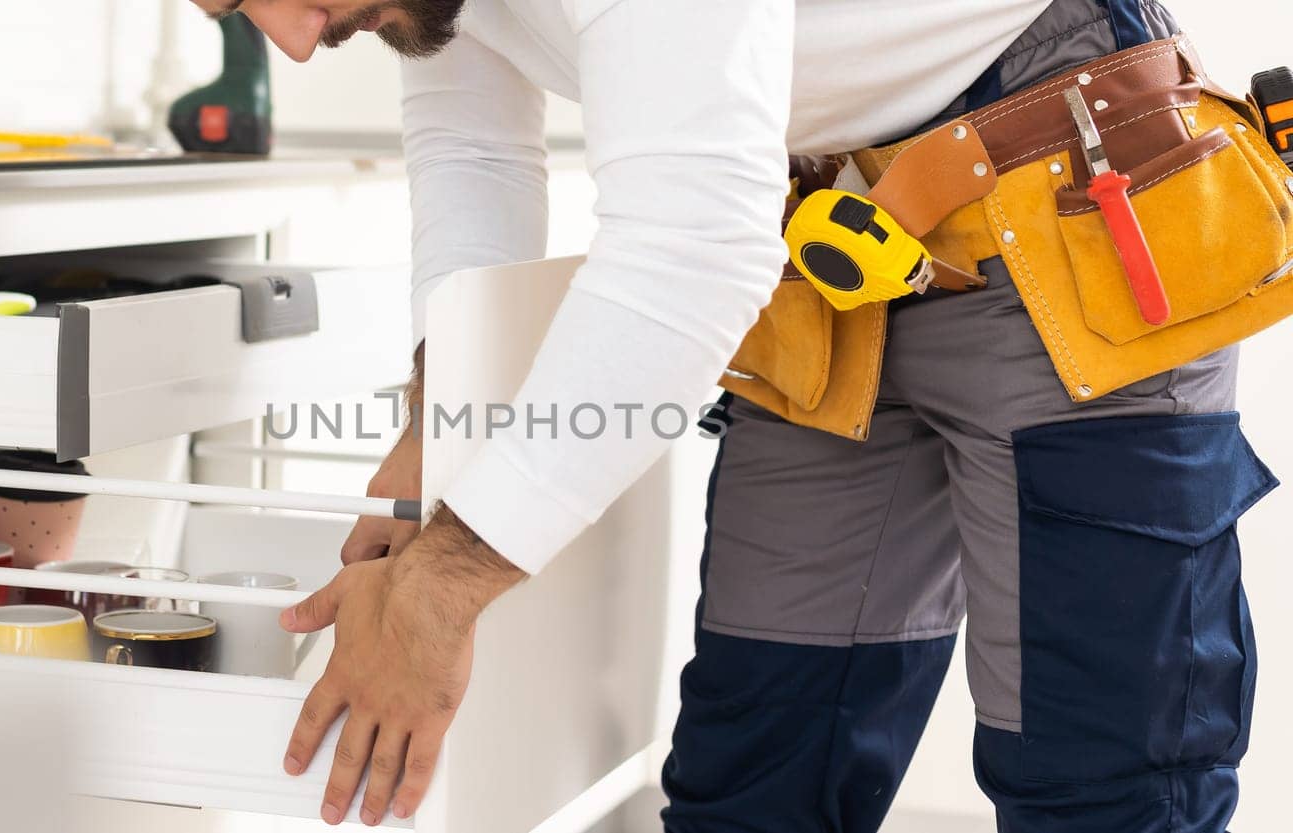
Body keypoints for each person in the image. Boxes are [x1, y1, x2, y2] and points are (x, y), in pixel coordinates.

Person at [188, 1, 1284, 830]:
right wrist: (441, 426)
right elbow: (475, 154)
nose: (288, 41)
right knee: (759, 761)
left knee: (1104, 769)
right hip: (829, 245)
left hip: (1054, 185)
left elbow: (686, 256)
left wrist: (441, 584)